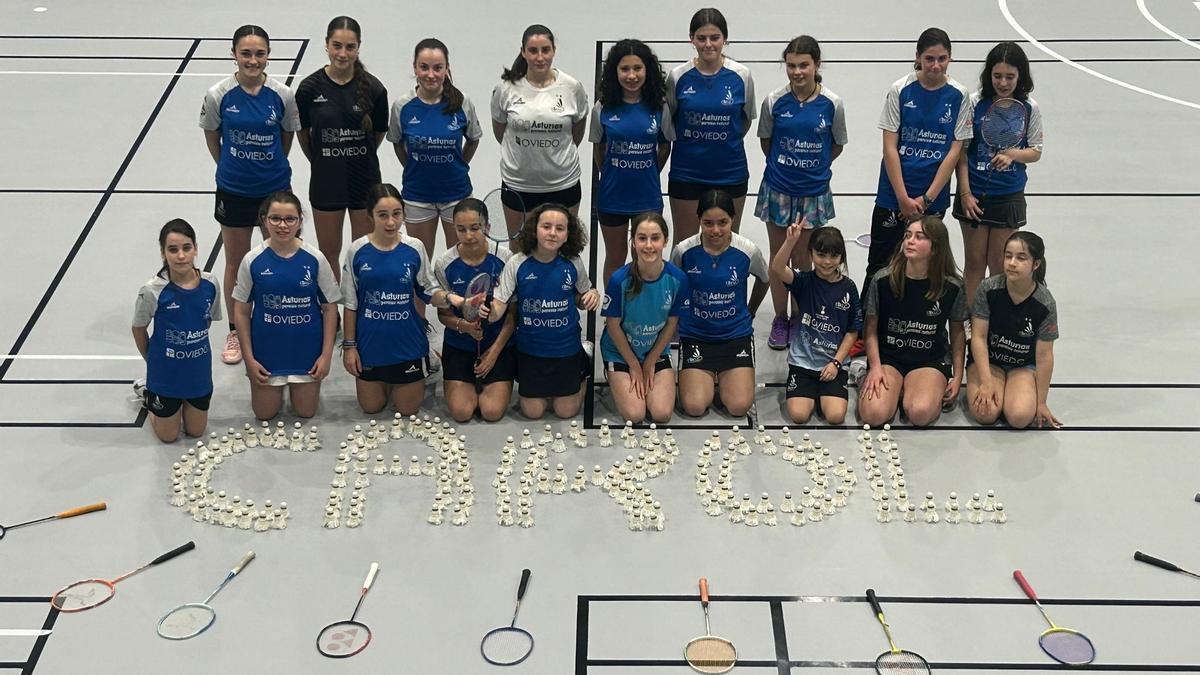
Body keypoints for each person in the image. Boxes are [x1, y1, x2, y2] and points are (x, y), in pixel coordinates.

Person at [200, 24, 300, 366]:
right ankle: (234, 329)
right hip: (234, 189)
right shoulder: (219, 94)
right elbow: (213, 137)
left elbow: (285, 139)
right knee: (236, 261)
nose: (253, 60)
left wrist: (269, 167)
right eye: (246, 53)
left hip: (275, 191)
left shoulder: (282, 95)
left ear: (268, 55)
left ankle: (277, 320)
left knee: (281, 257)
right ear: (234, 55)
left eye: (259, 54)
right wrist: (230, 165)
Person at [862, 28, 971, 339]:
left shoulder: (960, 96)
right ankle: (866, 332)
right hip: (892, 196)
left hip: (931, 200)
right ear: (917, 58)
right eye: (929, 59)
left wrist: (926, 199)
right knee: (879, 265)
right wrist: (902, 198)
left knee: (926, 265)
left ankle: (921, 329)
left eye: (942, 59)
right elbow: (889, 147)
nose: (936, 66)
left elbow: (954, 151)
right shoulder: (900, 90)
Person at [757, 35, 848, 350]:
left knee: (804, 260)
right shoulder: (774, 101)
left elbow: (835, 145)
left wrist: (813, 168)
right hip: (778, 189)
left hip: (813, 193)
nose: (797, 72)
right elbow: (766, 142)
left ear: (817, 65)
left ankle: (801, 317)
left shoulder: (832, 104)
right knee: (779, 256)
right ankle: (781, 318)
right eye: (791, 65)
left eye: (804, 65)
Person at [341, 183, 462, 415]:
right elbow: (350, 303)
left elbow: (428, 290)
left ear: (404, 214)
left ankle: (427, 363)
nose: (390, 222)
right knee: (371, 407)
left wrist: (453, 299)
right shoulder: (357, 250)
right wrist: (349, 347)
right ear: (370, 217)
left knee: (408, 410)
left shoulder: (414, 248)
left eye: (397, 214)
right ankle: (386, 379)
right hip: (370, 344)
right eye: (382, 215)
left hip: (407, 343)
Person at [231, 191, 340, 420]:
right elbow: (241, 311)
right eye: (275, 218)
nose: (283, 225)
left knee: (306, 412)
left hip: (306, 352)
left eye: (290, 219)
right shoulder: (252, 260)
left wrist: (326, 355)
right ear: (264, 220)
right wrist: (250, 360)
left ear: (300, 221)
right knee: (264, 414)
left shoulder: (315, 259)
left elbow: (330, 308)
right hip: (266, 353)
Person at [296, 16, 389, 281]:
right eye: (337, 46)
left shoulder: (374, 89)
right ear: (326, 45)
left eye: (350, 47)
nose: (343, 54)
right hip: (326, 183)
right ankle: (332, 315)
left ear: (359, 47)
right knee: (328, 255)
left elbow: (378, 134)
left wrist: (354, 152)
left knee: (362, 254)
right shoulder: (309, 89)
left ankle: (358, 310)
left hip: (364, 181)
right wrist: (323, 158)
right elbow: (303, 134)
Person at [488, 204, 599, 419]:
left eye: (560, 228)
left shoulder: (573, 262)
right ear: (534, 229)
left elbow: (582, 297)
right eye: (546, 226)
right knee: (533, 412)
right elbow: (498, 307)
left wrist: (591, 295)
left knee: (565, 411)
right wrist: (485, 310)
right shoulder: (517, 263)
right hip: (531, 350)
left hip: (565, 347)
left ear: (568, 235)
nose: (552, 233)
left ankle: (583, 362)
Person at [953, 41, 1043, 302]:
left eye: (1009, 77)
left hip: (1007, 196)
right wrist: (965, 193)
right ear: (988, 75)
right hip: (974, 196)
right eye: (997, 76)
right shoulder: (974, 103)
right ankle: (970, 325)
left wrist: (1013, 154)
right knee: (974, 265)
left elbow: (1036, 150)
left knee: (999, 268)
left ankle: (990, 325)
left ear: (1020, 76)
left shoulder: (1029, 108)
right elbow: (962, 152)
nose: (1003, 83)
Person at [858, 217, 967, 427]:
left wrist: (958, 374)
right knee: (873, 415)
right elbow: (870, 330)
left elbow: (957, 332)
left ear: (935, 247)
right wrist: (876, 367)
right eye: (907, 235)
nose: (910, 241)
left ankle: (911, 388)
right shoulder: (882, 279)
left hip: (928, 359)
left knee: (920, 413)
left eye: (919, 237)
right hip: (889, 357)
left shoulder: (952, 286)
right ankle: (881, 381)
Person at [671, 190, 769, 418]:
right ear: (699, 221)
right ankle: (706, 377)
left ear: (732, 220)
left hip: (735, 336)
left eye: (722, 222)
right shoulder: (683, 251)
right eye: (708, 223)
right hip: (696, 335)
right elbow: (673, 285)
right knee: (694, 407)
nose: (715, 230)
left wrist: (750, 311)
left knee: (738, 406)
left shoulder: (747, 250)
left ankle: (723, 377)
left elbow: (764, 279)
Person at [665, 8, 756, 246]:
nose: (708, 44)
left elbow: (744, 120)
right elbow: (671, 121)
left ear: (725, 39)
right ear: (691, 39)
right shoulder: (677, 77)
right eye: (701, 38)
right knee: (683, 246)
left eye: (714, 38)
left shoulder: (741, 76)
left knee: (726, 244)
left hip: (730, 172)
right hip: (687, 173)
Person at [490, 24, 589, 241]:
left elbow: (577, 133)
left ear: (554, 50)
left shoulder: (572, 88)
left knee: (563, 251)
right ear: (523, 51)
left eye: (545, 50)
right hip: (518, 185)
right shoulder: (506, 88)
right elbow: (500, 133)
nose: (540, 57)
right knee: (520, 254)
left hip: (563, 184)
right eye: (533, 50)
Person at [590, 39, 673, 286]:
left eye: (637, 68)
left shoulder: (659, 107)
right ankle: (612, 312)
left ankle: (643, 314)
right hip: (612, 197)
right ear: (614, 72)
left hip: (646, 198)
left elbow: (665, 146)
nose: (631, 75)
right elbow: (600, 150)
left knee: (646, 259)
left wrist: (648, 170)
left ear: (647, 70)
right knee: (615, 258)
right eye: (625, 69)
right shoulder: (602, 108)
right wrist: (612, 172)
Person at [389, 38, 483, 256]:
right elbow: (398, 144)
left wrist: (457, 164)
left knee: (459, 261)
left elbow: (473, 139)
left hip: (456, 194)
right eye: (424, 67)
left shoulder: (462, 102)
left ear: (447, 69)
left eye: (437, 68)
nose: (431, 74)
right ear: (415, 68)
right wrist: (414, 166)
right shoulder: (402, 106)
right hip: (417, 196)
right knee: (419, 263)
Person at [132, 220, 221, 443]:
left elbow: (206, 322)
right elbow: (138, 328)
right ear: (163, 253)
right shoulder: (152, 290)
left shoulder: (210, 283)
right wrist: (152, 361)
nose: (181, 256)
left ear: (196, 249)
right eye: (173, 250)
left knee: (196, 432)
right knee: (169, 436)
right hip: (165, 374)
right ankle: (148, 392)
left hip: (198, 372)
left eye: (186, 248)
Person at [432, 198, 517, 423]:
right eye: (461, 229)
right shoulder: (444, 263)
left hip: (498, 344)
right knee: (461, 412)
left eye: (475, 228)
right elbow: (443, 314)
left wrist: (495, 352)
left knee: (491, 411)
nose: (468, 235)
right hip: (459, 344)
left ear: (487, 228)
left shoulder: (505, 258)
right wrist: (465, 326)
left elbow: (513, 314)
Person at [601, 213, 688, 424]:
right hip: (621, 353)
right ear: (633, 242)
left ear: (665, 241)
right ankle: (612, 372)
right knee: (635, 415)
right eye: (642, 238)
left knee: (661, 413)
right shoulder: (619, 280)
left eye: (655, 238)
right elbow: (612, 326)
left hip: (654, 351)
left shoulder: (678, 279)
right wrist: (633, 364)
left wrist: (649, 363)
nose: (648, 245)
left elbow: (671, 323)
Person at [967, 231, 1060, 428]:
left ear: (1036, 264)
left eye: (1021, 258)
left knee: (1019, 417)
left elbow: (1044, 356)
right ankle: (997, 387)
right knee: (986, 414)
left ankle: (1013, 392)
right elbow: (978, 337)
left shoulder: (1045, 303)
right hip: (989, 362)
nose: (1012, 263)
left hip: (1022, 366)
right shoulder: (988, 289)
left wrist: (1041, 402)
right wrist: (986, 381)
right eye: (1008, 256)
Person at [770, 224, 860, 425]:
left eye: (834, 256)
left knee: (835, 417)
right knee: (799, 416)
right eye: (820, 255)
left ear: (842, 258)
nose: (827, 262)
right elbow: (777, 268)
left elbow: (852, 332)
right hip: (802, 363)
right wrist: (791, 242)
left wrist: (836, 363)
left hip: (833, 365)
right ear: (810, 254)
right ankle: (809, 393)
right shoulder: (803, 281)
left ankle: (827, 393)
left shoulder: (849, 288)